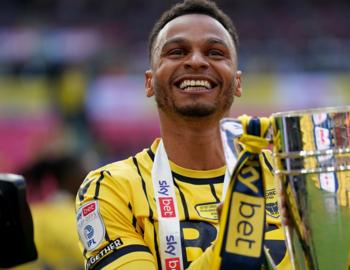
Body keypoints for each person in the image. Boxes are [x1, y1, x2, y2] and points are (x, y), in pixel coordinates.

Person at [75, 1, 289, 269]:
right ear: (150, 82)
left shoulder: (289, 178)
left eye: (214, 52)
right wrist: (232, 243)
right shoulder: (111, 188)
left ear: (237, 82)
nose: (197, 61)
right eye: (177, 52)